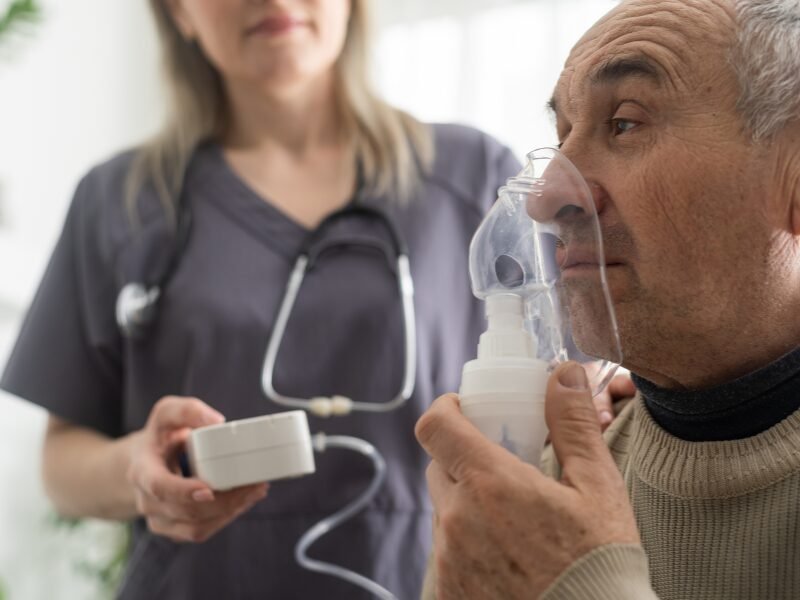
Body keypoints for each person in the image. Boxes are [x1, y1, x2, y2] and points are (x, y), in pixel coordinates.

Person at [0, 1, 527, 598]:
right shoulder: (120, 201)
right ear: (178, 12)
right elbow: (62, 463)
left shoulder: (475, 177)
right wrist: (136, 471)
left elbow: (564, 405)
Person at [415, 0, 800, 598]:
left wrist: (582, 581)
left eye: (624, 123)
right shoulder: (543, 486)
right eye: (562, 133)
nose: (545, 198)